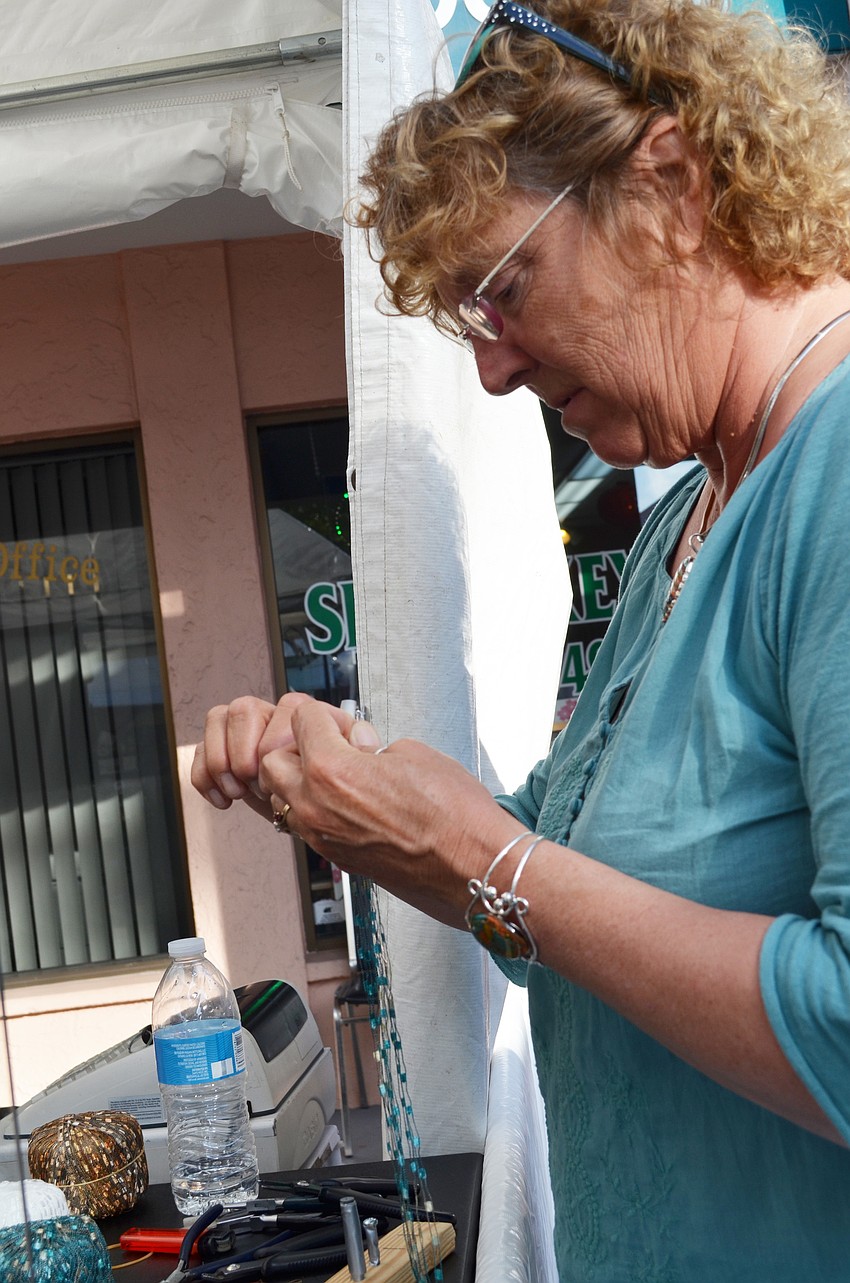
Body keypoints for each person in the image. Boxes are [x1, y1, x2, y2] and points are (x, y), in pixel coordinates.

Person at [192, 0, 850, 1276]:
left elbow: (523, 880)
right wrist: (348, 797)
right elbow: (547, 896)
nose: (492, 373)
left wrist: (482, 852)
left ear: (671, 182)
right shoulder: (689, 522)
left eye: (504, 289)